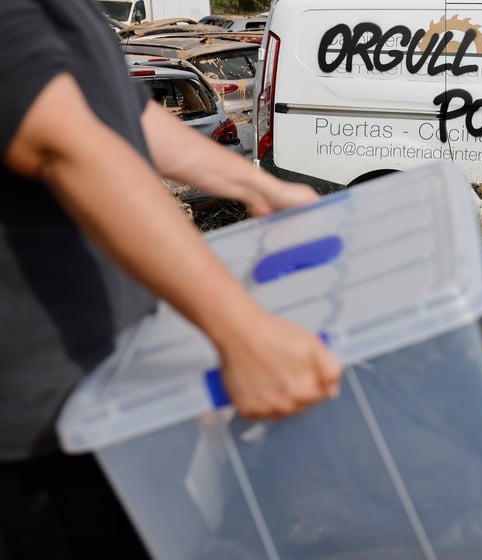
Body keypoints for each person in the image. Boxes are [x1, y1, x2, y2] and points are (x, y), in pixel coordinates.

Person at [0, 1, 343, 558]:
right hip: (40, 439)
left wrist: (259, 188)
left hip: (116, 385)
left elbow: (120, 110)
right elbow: (66, 142)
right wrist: (243, 332)